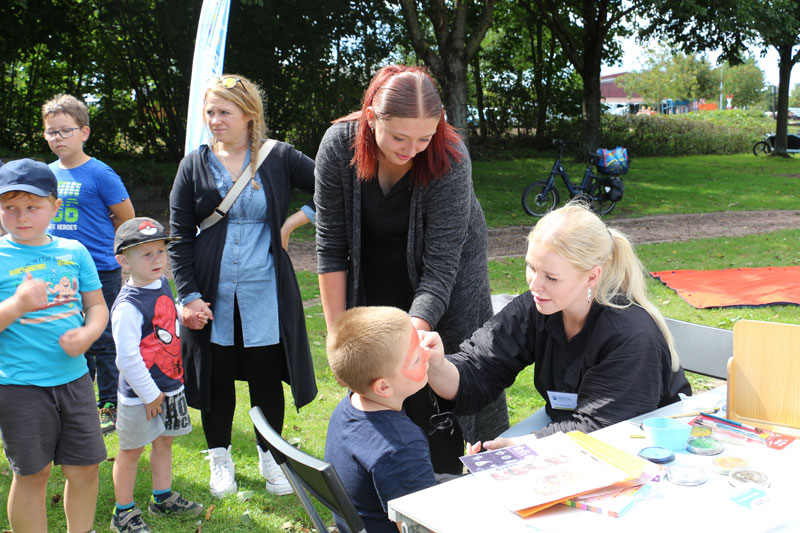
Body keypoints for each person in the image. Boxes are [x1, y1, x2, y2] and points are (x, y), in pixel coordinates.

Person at [314, 64, 508, 475]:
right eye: (400, 137)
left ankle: (444, 480)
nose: (412, 149)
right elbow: (331, 250)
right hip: (373, 282)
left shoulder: (450, 158)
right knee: (373, 389)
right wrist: (341, 342)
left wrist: (406, 347)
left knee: (431, 389)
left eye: (424, 137)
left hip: (447, 289)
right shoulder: (337, 146)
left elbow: (440, 272)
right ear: (371, 118)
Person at [422, 201, 692, 448]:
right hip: (574, 431)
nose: (535, 285)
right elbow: (479, 369)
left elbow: (603, 430)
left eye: (551, 277)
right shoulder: (538, 307)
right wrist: (436, 364)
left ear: (592, 276)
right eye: (531, 267)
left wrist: (523, 447)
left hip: (648, 444)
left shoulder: (631, 335)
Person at [169, 74, 317, 499]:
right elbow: (179, 235)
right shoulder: (193, 164)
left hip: (265, 290)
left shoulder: (279, 156)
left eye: (224, 112)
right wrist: (189, 295)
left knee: (265, 377)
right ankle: (221, 460)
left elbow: (336, 183)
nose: (214, 120)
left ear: (249, 115)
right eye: (210, 112)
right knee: (214, 378)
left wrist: (295, 220)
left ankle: (272, 460)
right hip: (211, 288)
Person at [0, 158, 108, 533]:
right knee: (33, 472)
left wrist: (89, 334)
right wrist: (17, 305)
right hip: (19, 386)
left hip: (75, 380)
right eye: (9, 207)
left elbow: (96, 306)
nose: (21, 216)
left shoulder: (74, 251)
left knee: (85, 467)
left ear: (54, 206)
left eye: (32, 206)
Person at [325, 307, 481, 533]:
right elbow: (421, 527)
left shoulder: (348, 408)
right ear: (383, 386)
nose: (426, 354)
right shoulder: (399, 446)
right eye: (416, 358)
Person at [42, 93, 136, 435]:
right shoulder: (46, 174)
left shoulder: (101, 173)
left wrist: (123, 254)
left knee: (103, 340)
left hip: (98, 270)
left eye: (65, 131)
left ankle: (108, 406)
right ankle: (77, 404)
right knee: (67, 336)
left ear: (84, 132)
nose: (57, 139)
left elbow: (126, 221)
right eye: (51, 132)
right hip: (56, 271)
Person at [109, 217, 204, 532]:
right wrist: (149, 395)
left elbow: (164, 309)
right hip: (142, 396)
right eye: (145, 254)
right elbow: (126, 358)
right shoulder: (127, 307)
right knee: (132, 450)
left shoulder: (159, 282)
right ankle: (123, 513)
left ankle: (162, 498)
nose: (156, 260)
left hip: (170, 385)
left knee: (164, 441)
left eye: (160, 251)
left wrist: (183, 313)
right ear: (123, 260)